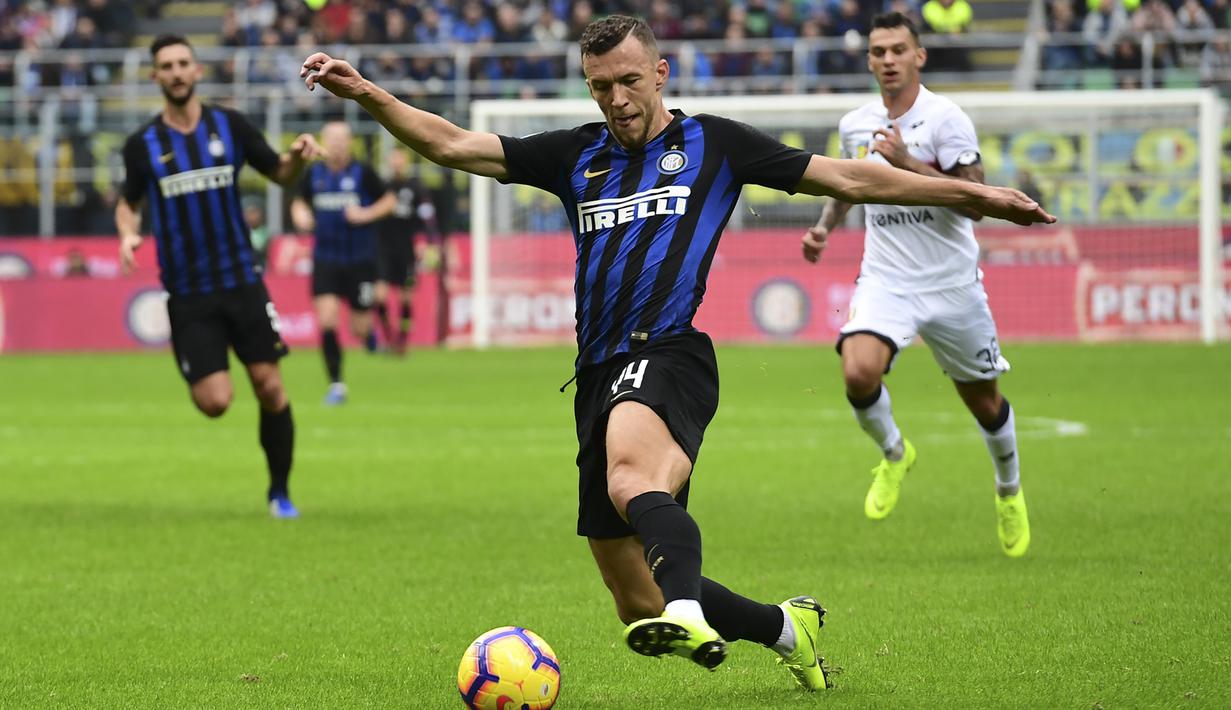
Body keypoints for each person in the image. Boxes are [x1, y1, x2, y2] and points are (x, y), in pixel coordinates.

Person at [300, 14, 1053, 688]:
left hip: (670, 353)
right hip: (595, 371)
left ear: (660, 73)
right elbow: (451, 143)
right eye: (600, 86)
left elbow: (851, 177)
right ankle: (786, 628)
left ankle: (686, 608)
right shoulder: (575, 155)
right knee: (635, 597)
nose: (617, 99)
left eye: (629, 80)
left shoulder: (715, 144)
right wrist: (365, 92)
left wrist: (981, 198)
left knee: (633, 478)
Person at [801, 12, 1032, 558]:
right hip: (887, 280)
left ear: (919, 56)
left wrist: (908, 163)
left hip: (953, 285)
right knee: (858, 371)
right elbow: (850, 184)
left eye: (898, 50)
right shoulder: (856, 124)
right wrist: (824, 227)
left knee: (984, 403)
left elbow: (976, 200)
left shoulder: (946, 119)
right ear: (869, 60)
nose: (888, 60)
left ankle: (1008, 490)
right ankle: (895, 452)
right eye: (878, 51)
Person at [116, 34, 322, 518]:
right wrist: (127, 234)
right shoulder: (142, 145)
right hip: (188, 292)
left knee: (270, 387)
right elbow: (128, 202)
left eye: (183, 63)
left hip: (241, 280)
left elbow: (280, 173)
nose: (176, 72)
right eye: (167, 66)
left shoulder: (230, 125)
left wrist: (297, 156)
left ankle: (280, 493)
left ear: (197, 70)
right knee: (214, 402)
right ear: (155, 76)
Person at [290, 121, 395, 405]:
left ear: (350, 142)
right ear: (324, 142)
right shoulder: (314, 173)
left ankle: (369, 334)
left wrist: (365, 214)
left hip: (360, 260)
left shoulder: (363, 172)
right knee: (327, 320)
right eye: (332, 139)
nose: (336, 144)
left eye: (341, 139)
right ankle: (336, 384)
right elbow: (299, 201)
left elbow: (389, 201)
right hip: (326, 260)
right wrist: (300, 215)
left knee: (359, 328)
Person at [374, 148, 438, 355]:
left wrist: (428, 242)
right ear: (389, 162)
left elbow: (427, 217)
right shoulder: (383, 187)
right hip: (383, 248)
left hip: (407, 249)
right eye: (394, 159)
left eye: (400, 159)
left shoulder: (416, 187)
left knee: (406, 298)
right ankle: (388, 336)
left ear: (406, 162)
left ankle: (401, 340)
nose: (397, 163)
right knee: (380, 296)